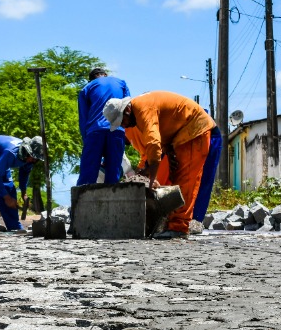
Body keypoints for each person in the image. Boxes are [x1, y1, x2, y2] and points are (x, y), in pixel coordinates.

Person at [104, 91, 217, 239]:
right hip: (182, 134)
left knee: (186, 181)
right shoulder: (138, 110)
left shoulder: (143, 110)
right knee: (177, 178)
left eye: (122, 121)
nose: (124, 126)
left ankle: (179, 227)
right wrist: (167, 152)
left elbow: (153, 144)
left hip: (195, 130)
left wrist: (151, 180)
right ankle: (173, 224)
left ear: (127, 110)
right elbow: (165, 127)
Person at [77, 67, 130, 186]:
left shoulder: (87, 88)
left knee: (87, 176)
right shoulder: (121, 83)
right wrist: (125, 133)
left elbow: (83, 119)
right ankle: (112, 201)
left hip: (95, 131)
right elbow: (128, 108)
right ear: (105, 75)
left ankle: (82, 202)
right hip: (117, 130)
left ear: (91, 79)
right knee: (113, 176)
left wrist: (88, 144)